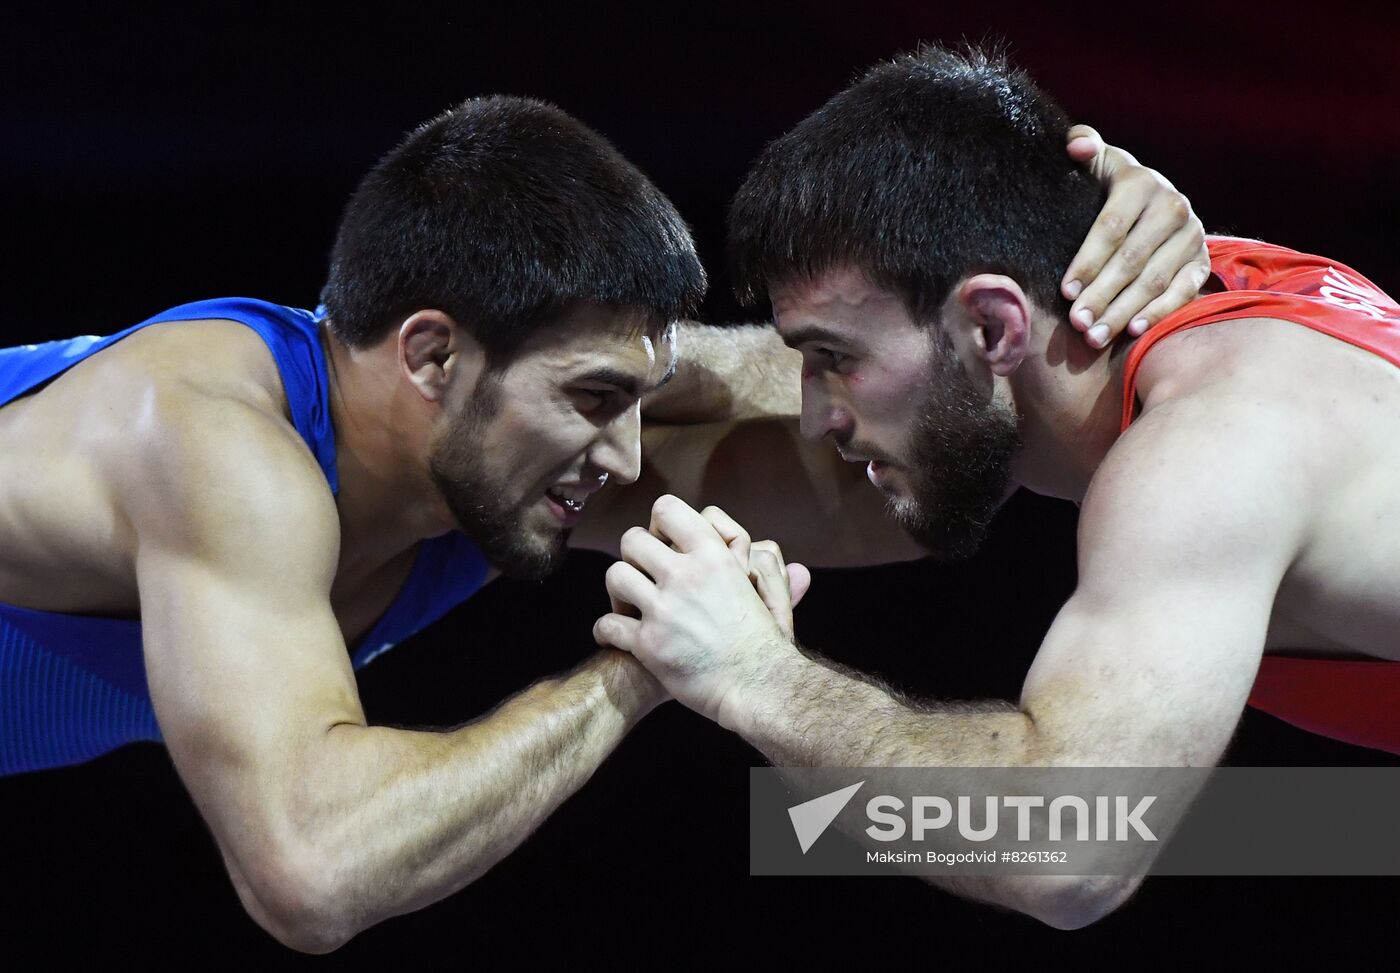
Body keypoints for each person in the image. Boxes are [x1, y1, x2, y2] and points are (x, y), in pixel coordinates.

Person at [0, 93, 1203, 951]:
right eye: (591, 400)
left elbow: (901, 465)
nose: (628, 460)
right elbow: (310, 871)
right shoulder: (212, 445)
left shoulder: (482, 446)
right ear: (432, 354)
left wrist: (1074, 282)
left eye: (634, 399)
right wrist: (636, 672)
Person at [593, 45, 1400, 929]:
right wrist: (598, 361)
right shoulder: (1229, 282)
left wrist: (755, 677)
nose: (819, 415)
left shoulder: (1213, 452)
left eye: (834, 360)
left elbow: (1069, 851)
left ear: (993, 324)